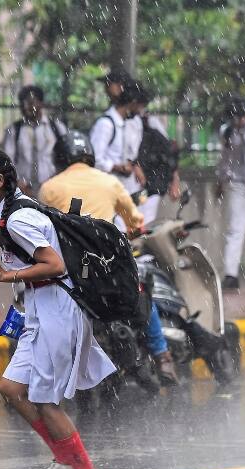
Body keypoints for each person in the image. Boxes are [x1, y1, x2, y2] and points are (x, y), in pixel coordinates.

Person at [0, 147, 116, 469]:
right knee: (12, 389)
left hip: (56, 311)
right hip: (39, 309)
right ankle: (64, 460)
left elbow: (54, 265)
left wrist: (8, 276)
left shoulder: (19, 218)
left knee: (43, 399)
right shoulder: (12, 209)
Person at [39, 131, 179, 385]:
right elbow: (136, 221)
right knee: (143, 292)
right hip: (109, 269)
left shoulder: (49, 188)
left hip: (70, 272)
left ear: (60, 158)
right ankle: (162, 356)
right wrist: (132, 229)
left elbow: (43, 230)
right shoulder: (109, 182)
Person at [126, 83, 181, 226]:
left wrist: (174, 181)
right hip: (131, 184)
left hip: (151, 185)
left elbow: (170, 152)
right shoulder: (122, 122)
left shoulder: (151, 123)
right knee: (130, 219)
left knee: (144, 220)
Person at [216, 96, 245, 292]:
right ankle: (231, 274)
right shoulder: (229, 132)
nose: (235, 122)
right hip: (239, 184)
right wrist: (221, 180)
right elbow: (225, 159)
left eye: (237, 118)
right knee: (235, 229)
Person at [2, 85, 67, 195]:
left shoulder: (56, 128)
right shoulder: (14, 130)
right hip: (23, 191)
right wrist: (17, 183)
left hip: (53, 189)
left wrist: (55, 180)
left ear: (41, 104)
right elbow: (6, 162)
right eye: (22, 104)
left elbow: (66, 158)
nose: (26, 107)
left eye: (30, 103)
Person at [89, 82, 138, 218]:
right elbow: (94, 159)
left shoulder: (124, 124)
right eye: (138, 106)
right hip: (105, 191)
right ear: (131, 103)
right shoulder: (106, 124)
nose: (139, 111)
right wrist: (117, 167)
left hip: (120, 190)